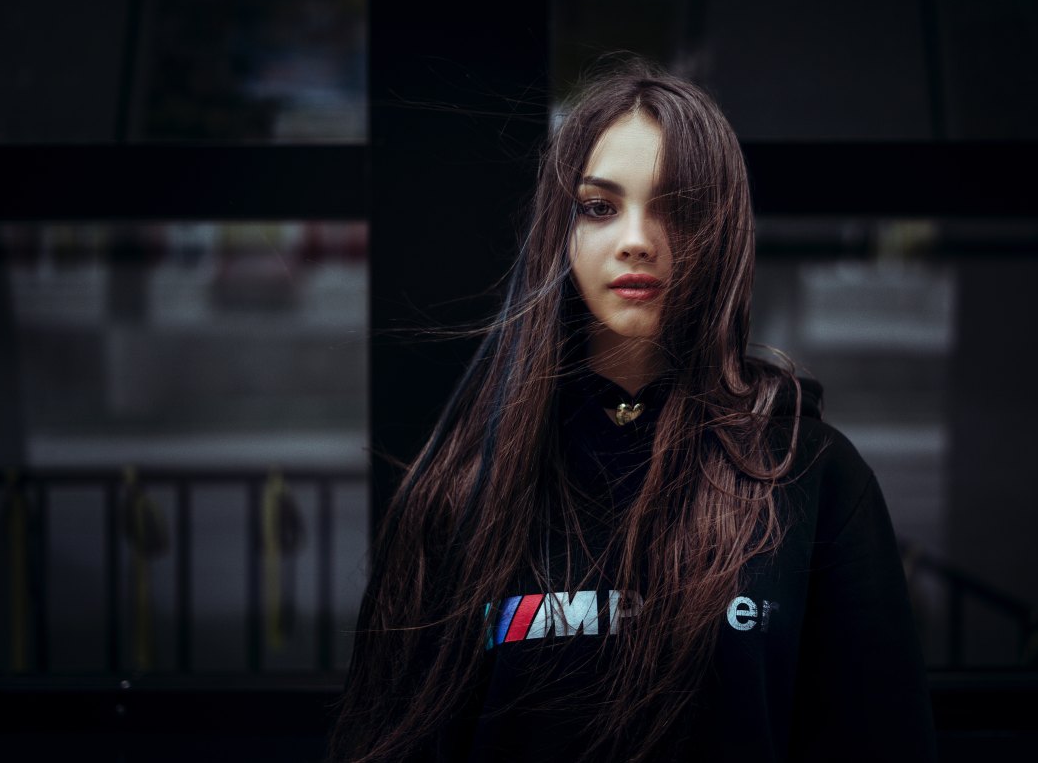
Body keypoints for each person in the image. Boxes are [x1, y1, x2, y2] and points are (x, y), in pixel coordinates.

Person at [330, 61, 937, 762]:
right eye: (599, 206)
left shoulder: (811, 478)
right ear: (560, 231)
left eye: (674, 207)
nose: (636, 239)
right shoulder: (468, 488)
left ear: (721, 232)